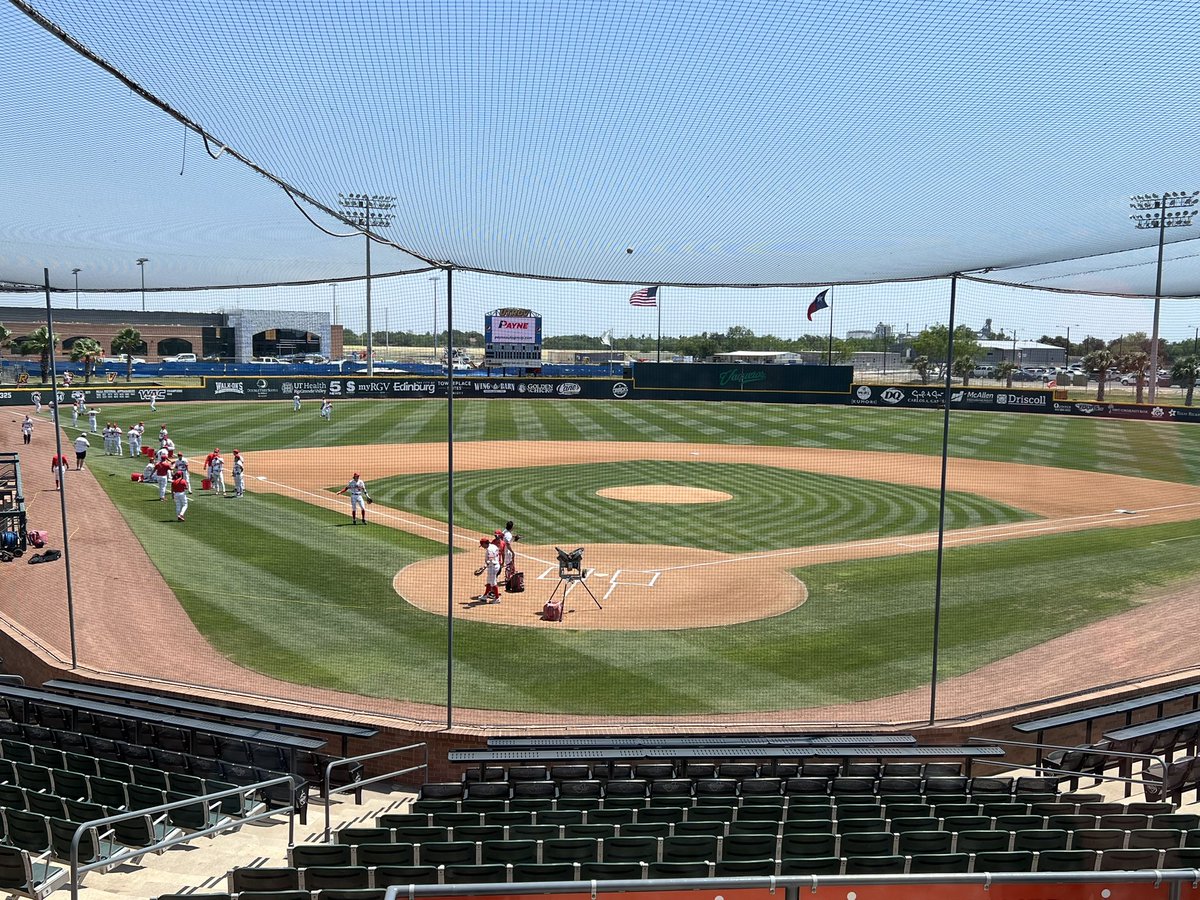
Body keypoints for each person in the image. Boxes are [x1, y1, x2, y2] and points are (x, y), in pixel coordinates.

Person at [478, 536, 501, 603]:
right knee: (489, 582)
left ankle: (497, 598)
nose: (482, 547)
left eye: (482, 545)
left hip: (493, 567)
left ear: (485, 544)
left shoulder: (490, 550)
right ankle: (485, 596)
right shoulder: (493, 546)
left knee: (493, 583)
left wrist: (484, 567)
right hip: (494, 565)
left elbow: (491, 560)